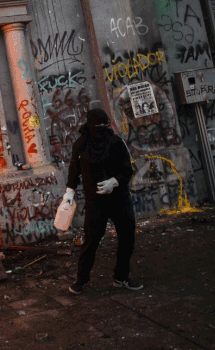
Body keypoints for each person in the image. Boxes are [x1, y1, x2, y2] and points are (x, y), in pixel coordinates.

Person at [63, 108, 142, 294]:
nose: (101, 129)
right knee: (91, 241)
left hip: (119, 199)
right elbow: (74, 170)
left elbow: (127, 169)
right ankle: (81, 280)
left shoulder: (115, 142)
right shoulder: (81, 145)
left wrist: (114, 182)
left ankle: (121, 277)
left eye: (103, 125)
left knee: (127, 237)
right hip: (95, 202)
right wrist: (69, 191)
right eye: (98, 125)